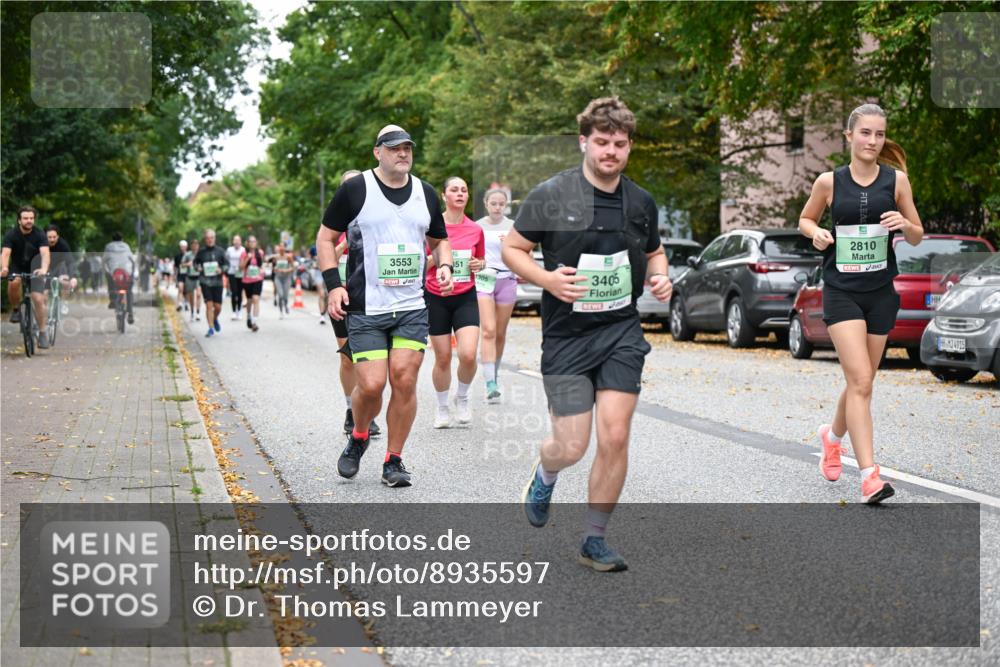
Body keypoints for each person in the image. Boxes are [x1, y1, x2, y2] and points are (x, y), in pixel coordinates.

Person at [503, 97, 671, 572]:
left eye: (619, 143)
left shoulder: (640, 202)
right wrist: (548, 280)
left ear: (629, 146)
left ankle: (594, 540)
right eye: (601, 142)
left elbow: (655, 252)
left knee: (615, 435)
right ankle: (546, 473)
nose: (610, 151)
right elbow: (513, 248)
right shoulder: (551, 194)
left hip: (621, 331)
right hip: (567, 337)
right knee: (571, 446)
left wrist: (661, 276)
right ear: (584, 142)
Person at [798, 103, 922, 505]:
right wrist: (816, 233)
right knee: (862, 381)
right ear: (849, 136)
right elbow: (805, 220)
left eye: (879, 134)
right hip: (842, 290)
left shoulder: (897, 181)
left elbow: (918, 234)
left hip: (881, 292)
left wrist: (905, 224)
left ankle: (831, 438)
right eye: (865, 133)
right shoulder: (829, 182)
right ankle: (870, 476)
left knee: (861, 380)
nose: (873, 141)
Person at [318, 124, 453, 488]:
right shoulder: (356, 189)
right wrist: (334, 286)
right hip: (366, 307)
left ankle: (393, 460)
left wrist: (445, 265)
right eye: (394, 148)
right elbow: (325, 239)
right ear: (377, 152)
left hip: (411, 306)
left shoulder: (425, 192)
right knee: (372, 385)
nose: (402, 153)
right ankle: (359, 435)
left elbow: (440, 240)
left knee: (405, 380)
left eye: (407, 147)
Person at [326, 169, 382, 437]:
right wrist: (345, 244)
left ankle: (367, 414)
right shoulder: (334, 224)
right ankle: (351, 410)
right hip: (342, 298)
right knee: (348, 358)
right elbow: (325, 257)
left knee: (369, 358)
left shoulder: (376, 219)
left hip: (370, 299)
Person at [426, 176, 485, 428]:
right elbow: (419, 265)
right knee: (442, 358)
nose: (460, 193)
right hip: (436, 296)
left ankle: (462, 396)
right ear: (444, 195)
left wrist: (478, 264)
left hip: (465, 296)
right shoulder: (430, 227)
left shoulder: (475, 229)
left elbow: (481, 260)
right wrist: (439, 257)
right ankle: (442, 407)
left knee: (468, 355)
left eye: (464, 190)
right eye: (454, 190)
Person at [476, 187, 517, 402]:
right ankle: (490, 383)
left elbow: (525, 253)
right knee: (488, 331)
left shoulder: (513, 227)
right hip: (485, 278)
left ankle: (495, 373)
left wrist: (509, 247)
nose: (497, 207)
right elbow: (471, 253)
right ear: (486, 204)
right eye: (494, 203)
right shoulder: (477, 226)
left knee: (500, 333)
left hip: (507, 279)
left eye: (502, 204)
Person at [1, 206, 51, 347]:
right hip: (17, 266)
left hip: (36, 268)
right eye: (25, 218)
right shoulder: (11, 234)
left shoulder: (40, 234)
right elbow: (5, 253)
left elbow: (45, 254)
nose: (29, 221)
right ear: (19, 220)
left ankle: (42, 332)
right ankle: (16, 310)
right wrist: (4, 267)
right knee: (13, 282)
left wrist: (44, 269)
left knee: (38, 299)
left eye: (31, 218)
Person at [195, 229, 228, 337]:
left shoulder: (220, 251)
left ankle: (214, 318)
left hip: (217, 282)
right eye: (207, 238)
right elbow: (195, 263)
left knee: (218, 307)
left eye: (211, 238)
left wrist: (221, 269)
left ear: (214, 238)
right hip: (205, 282)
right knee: (209, 305)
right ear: (205, 239)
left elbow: (227, 265)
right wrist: (197, 268)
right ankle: (210, 328)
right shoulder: (201, 252)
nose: (209, 240)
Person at [102, 231, 137, 324]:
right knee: (129, 291)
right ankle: (130, 313)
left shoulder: (108, 246)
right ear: (122, 239)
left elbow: (104, 261)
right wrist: (132, 273)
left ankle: (112, 300)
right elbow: (133, 261)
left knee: (111, 282)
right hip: (126, 272)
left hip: (114, 273)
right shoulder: (126, 246)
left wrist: (107, 272)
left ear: (112, 239)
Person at [240, 235, 265, 332]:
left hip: (258, 279)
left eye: (254, 241)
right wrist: (247, 258)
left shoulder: (260, 253)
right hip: (247, 280)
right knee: (249, 300)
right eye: (250, 242)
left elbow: (261, 264)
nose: (252, 243)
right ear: (247, 243)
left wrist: (261, 270)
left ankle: (254, 322)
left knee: (256, 298)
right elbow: (241, 267)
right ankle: (249, 316)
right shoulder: (244, 253)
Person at [45, 225, 78, 293]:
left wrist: (73, 277)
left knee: (66, 282)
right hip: (44, 268)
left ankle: (63, 299)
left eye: (54, 237)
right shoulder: (40, 244)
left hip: (58, 269)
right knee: (43, 290)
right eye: (49, 237)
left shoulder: (63, 245)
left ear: (58, 236)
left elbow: (70, 261)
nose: (52, 240)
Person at [272, 245, 295, 318]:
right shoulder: (276, 257)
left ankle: (286, 305)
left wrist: (286, 270)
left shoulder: (288, 257)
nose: (281, 249)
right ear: (279, 248)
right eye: (280, 247)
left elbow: (293, 267)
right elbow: (273, 267)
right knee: (280, 295)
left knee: (285, 296)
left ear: (285, 248)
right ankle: (281, 312)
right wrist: (275, 268)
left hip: (286, 278)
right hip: (278, 278)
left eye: (283, 247)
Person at [226, 234, 245, 321]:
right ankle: (234, 311)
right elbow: (226, 259)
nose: (237, 242)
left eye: (238, 240)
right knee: (234, 292)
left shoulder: (243, 250)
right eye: (235, 240)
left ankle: (239, 311)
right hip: (232, 272)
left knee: (240, 292)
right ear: (233, 242)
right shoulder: (229, 250)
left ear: (240, 242)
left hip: (240, 273)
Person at [183, 239, 201, 321]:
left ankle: (198, 313)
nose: (195, 246)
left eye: (196, 245)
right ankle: (192, 312)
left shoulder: (201, 254)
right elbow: (182, 264)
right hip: (189, 277)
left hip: (198, 277)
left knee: (198, 294)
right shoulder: (187, 255)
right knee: (191, 296)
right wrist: (187, 264)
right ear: (191, 246)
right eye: (193, 245)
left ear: (198, 246)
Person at [174, 240, 188, 311]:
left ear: (186, 247)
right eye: (181, 246)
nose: (183, 248)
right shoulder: (177, 256)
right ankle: (179, 304)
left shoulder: (189, 255)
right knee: (180, 289)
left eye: (184, 246)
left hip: (188, 275)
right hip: (180, 275)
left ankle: (186, 303)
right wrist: (175, 276)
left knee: (186, 291)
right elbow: (176, 267)